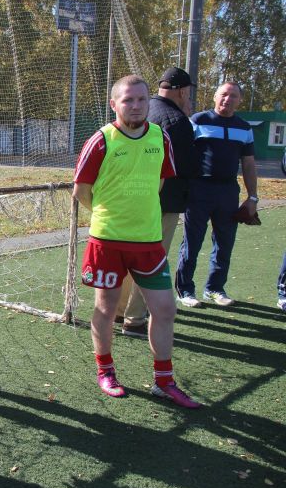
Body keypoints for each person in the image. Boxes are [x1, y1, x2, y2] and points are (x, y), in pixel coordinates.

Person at [73, 74, 200, 409]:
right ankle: (106, 371)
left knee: (165, 309)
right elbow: (81, 191)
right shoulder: (101, 140)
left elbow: (159, 182)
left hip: (148, 241)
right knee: (106, 308)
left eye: (141, 99)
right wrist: (109, 214)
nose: (135, 106)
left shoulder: (160, 137)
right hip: (108, 241)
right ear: (114, 104)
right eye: (127, 100)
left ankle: (164, 381)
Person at [116, 67, 196, 338]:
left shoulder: (140, 112)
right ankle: (135, 319)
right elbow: (183, 168)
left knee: (128, 257)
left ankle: (119, 310)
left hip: (130, 200)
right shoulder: (177, 121)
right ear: (182, 91)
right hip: (162, 203)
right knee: (150, 262)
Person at [175, 81, 258, 307]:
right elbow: (182, 154)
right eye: (223, 94)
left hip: (228, 191)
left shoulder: (244, 128)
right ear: (214, 96)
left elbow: (248, 164)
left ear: (240, 100)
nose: (227, 99)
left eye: (233, 96)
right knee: (192, 242)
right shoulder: (198, 120)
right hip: (199, 189)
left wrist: (253, 197)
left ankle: (214, 288)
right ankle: (185, 290)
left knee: (225, 243)